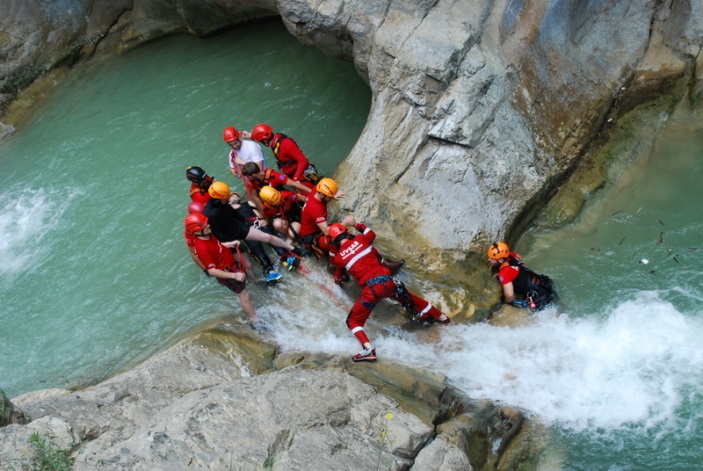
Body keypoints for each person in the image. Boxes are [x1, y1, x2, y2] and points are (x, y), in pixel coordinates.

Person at [329, 222, 450, 362]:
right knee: (414, 300)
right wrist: (356, 224)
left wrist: (337, 279)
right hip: (389, 282)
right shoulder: (361, 240)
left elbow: (338, 276)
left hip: (372, 290)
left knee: (353, 321)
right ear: (346, 231)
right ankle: (444, 319)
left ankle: (368, 350)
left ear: (334, 240)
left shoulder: (339, 258)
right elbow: (370, 233)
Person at [204, 181, 306, 284]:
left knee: (267, 237)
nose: (228, 198)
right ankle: (261, 278)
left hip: (240, 228)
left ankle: (294, 249)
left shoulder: (232, 204)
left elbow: (234, 214)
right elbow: (220, 236)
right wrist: (234, 244)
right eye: (226, 198)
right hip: (229, 238)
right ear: (218, 199)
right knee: (249, 261)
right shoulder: (210, 214)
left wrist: (248, 223)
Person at [184, 212, 261, 326]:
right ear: (197, 231)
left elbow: (217, 246)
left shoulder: (207, 235)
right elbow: (212, 271)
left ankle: (251, 310)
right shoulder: (202, 247)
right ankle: (255, 320)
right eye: (205, 226)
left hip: (230, 265)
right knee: (243, 294)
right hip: (227, 272)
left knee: (244, 293)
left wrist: (228, 244)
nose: (209, 225)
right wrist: (235, 276)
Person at [487, 242, 555, 310]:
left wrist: (505, 302)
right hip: (543, 282)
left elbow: (510, 296)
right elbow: (520, 258)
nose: (489, 259)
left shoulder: (504, 273)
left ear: (501, 260)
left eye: (492, 258)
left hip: (538, 296)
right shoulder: (512, 255)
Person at [250, 123, 320, 189]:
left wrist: (296, 179)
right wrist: (250, 135)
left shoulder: (285, 144)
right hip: (293, 174)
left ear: (265, 141)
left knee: (310, 195)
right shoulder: (275, 140)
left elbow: (302, 160)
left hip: (302, 175)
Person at [241, 161, 311, 211]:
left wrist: (311, 191)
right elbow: (255, 196)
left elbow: (294, 183)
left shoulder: (274, 176)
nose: (247, 178)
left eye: (248, 176)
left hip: (285, 198)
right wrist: (264, 210)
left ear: (254, 175)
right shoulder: (252, 181)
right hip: (271, 205)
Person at [223, 126, 267, 202]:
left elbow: (259, 168)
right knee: (255, 197)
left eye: (235, 143)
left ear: (238, 138)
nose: (234, 146)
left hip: (263, 178)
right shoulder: (232, 154)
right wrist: (234, 171)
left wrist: (242, 162)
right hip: (251, 182)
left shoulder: (251, 146)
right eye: (231, 145)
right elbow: (239, 175)